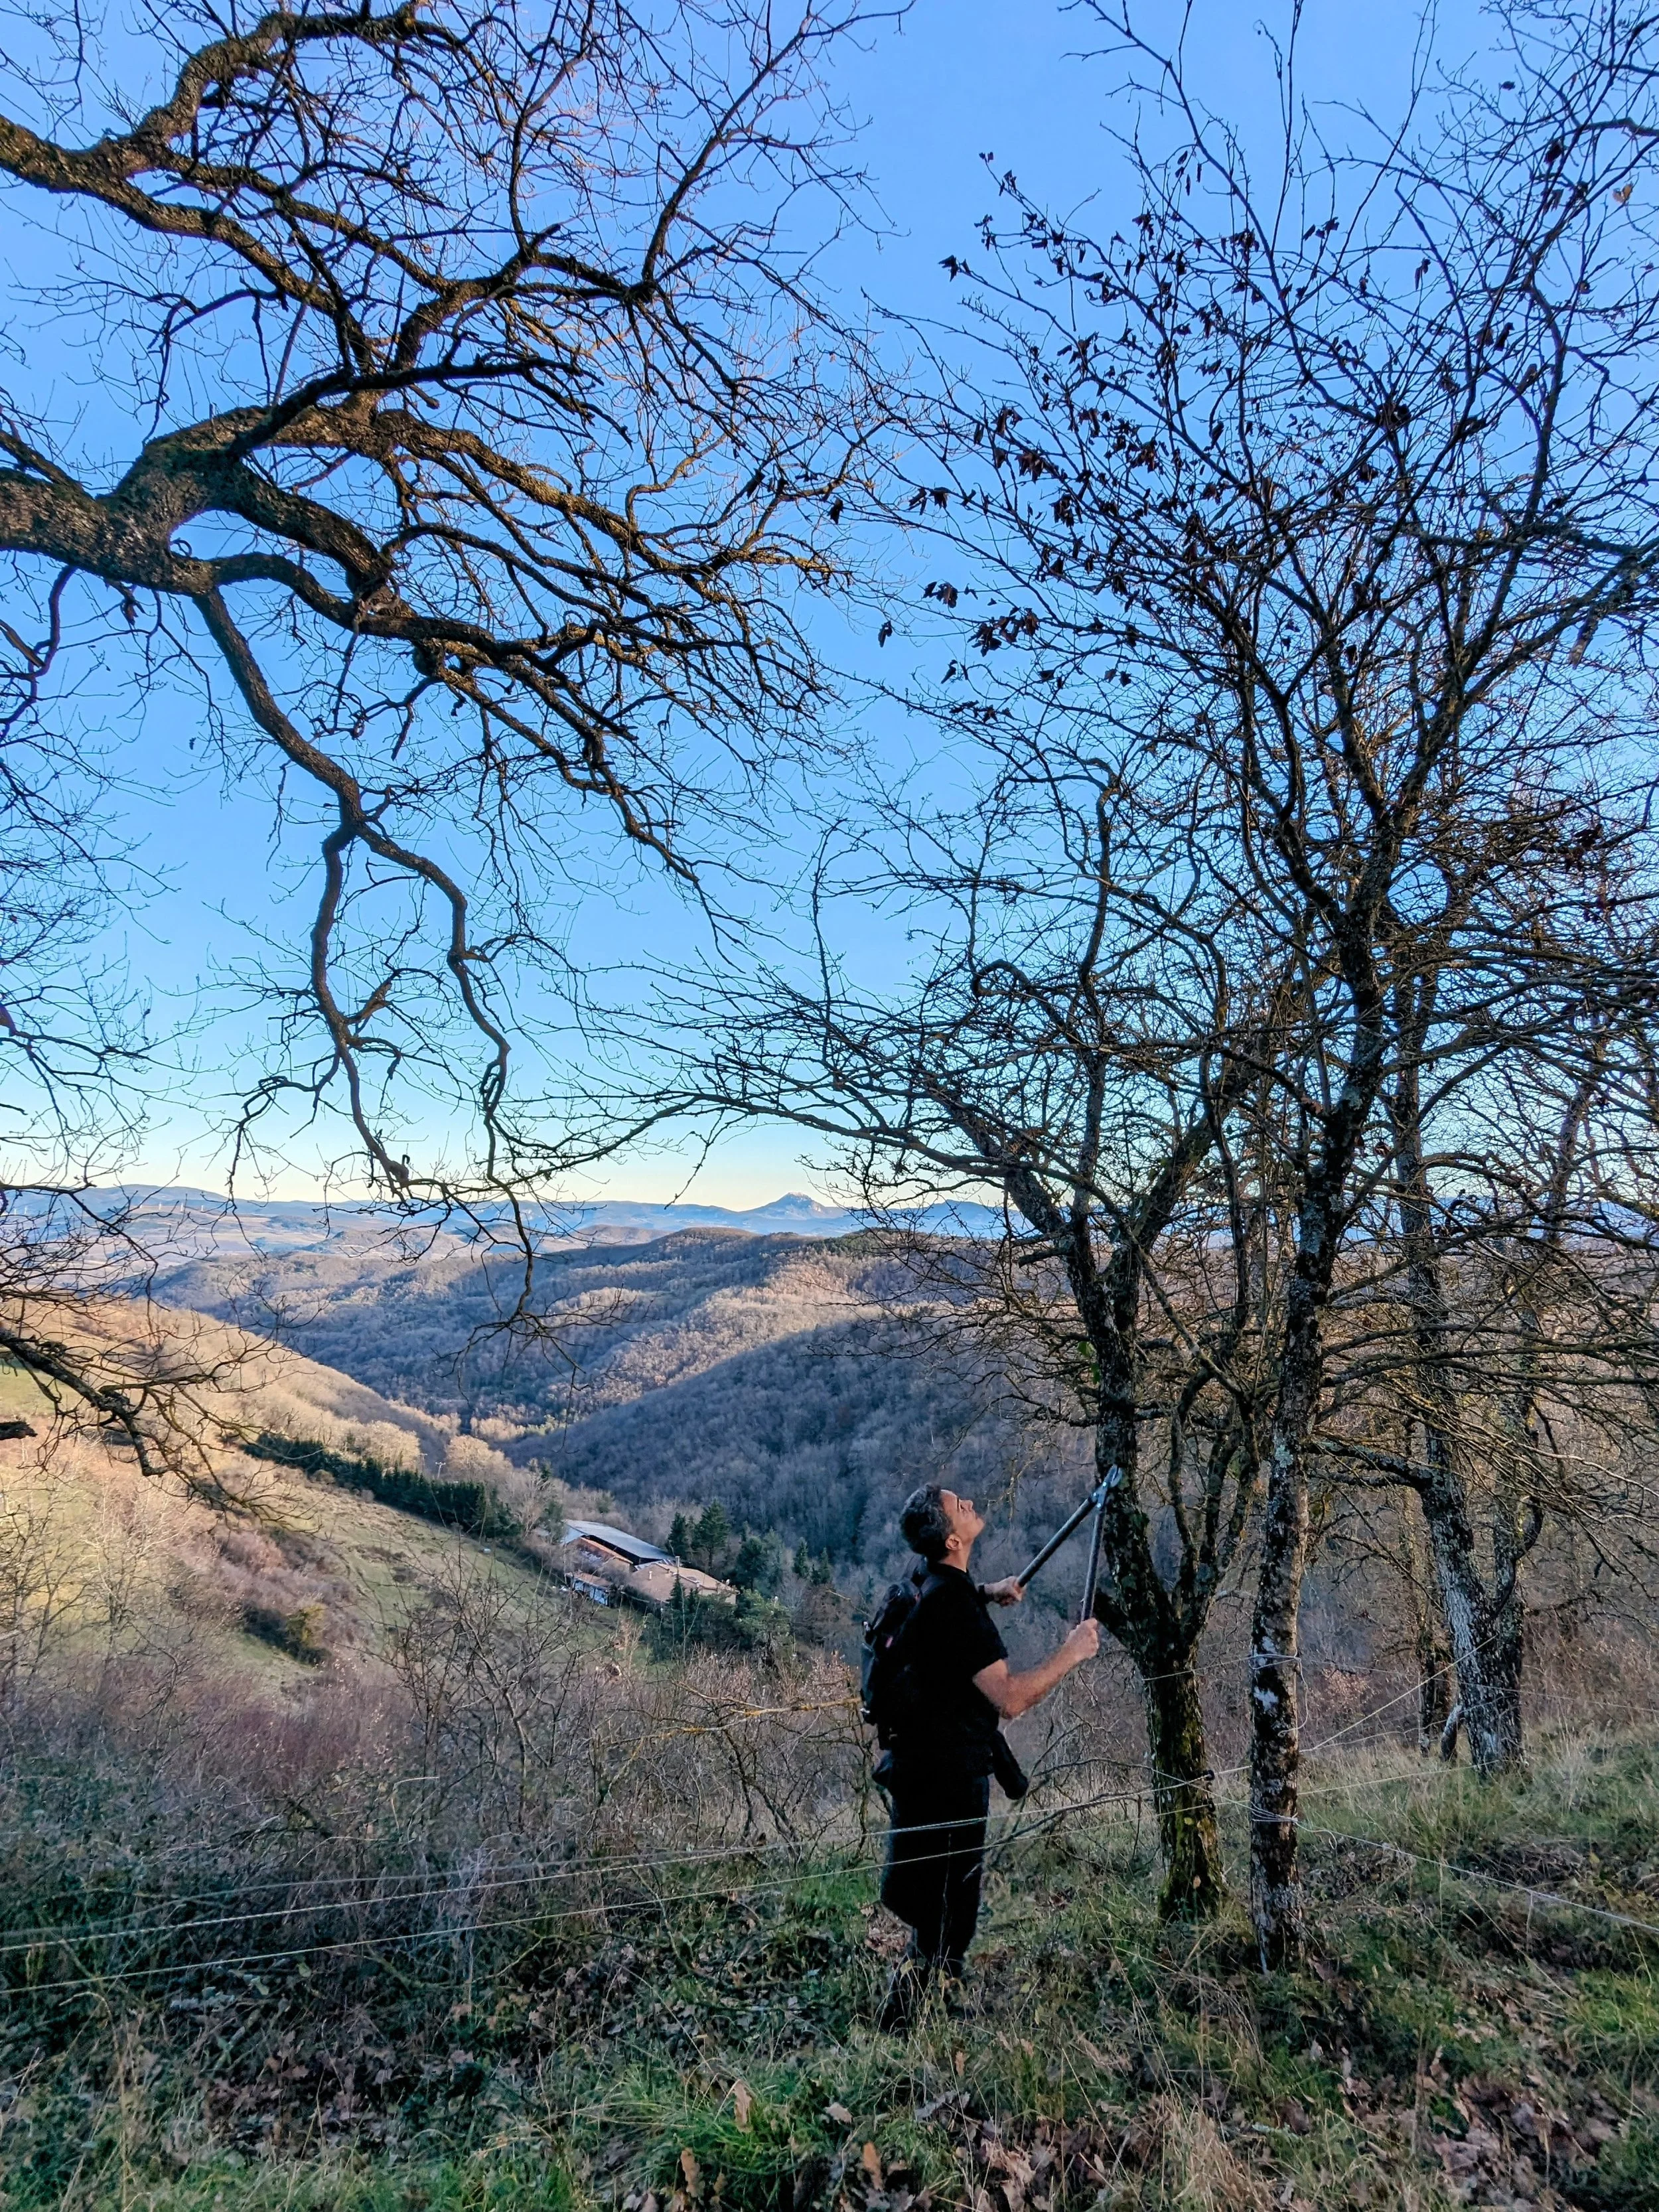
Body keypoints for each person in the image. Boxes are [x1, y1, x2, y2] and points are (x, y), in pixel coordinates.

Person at [877, 1482, 1100, 2029]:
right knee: (951, 1911)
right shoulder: (956, 1611)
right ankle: (912, 2023)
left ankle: (917, 2010)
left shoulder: (930, 1581)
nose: (971, 1503)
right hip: (950, 1778)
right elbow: (1012, 1698)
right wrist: (1072, 1652)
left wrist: (985, 1590)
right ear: (953, 1538)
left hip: (919, 1769)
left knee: (935, 1902)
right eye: (960, 1506)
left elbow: (946, 1608)